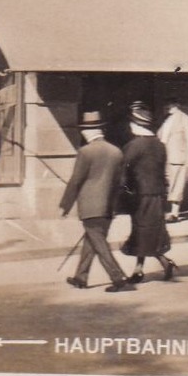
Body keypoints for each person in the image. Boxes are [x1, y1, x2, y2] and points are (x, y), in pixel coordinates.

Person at [59, 109, 135, 292]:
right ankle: (80, 277)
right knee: (92, 240)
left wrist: (65, 205)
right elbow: (122, 182)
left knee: (99, 243)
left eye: (83, 130)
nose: (83, 134)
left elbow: (76, 180)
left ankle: (119, 279)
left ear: (88, 131)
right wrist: (114, 204)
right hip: (108, 207)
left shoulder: (85, 152)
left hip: (90, 208)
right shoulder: (116, 152)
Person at [120, 102, 177, 282]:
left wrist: (124, 192)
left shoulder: (133, 146)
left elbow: (123, 173)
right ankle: (139, 269)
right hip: (158, 194)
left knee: (143, 231)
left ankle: (164, 262)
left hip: (141, 196)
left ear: (136, 125)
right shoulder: (159, 145)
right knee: (149, 231)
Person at [157, 98, 188, 222]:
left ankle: (174, 213)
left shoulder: (185, 119)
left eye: (170, 105)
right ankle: (165, 211)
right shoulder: (166, 120)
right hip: (165, 157)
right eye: (167, 105)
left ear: (177, 105)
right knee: (167, 185)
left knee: (177, 186)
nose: (168, 107)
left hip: (179, 158)